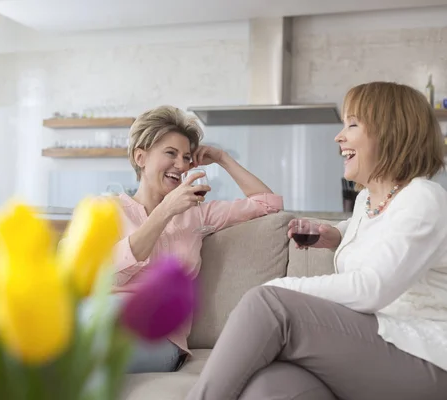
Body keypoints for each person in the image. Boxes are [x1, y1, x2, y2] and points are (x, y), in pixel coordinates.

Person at [185, 81, 447, 400]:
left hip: (424, 356)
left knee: (267, 303)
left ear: (391, 132)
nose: (339, 136)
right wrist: (335, 235)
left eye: (352, 124)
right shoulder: (368, 200)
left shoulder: (423, 198)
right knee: (269, 386)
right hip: (379, 342)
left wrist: (280, 287)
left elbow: (371, 289)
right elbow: (373, 230)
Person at [113, 105, 283, 373]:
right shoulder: (106, 212)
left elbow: (269, 203)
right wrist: (165, 211)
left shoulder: (199, 215)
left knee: (87, 359)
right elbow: (101, 278)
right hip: (108, 320)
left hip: (161, 339)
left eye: (187, 157)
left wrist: (222, 158)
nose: (181, 165)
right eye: (170, 153)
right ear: (140, 156)